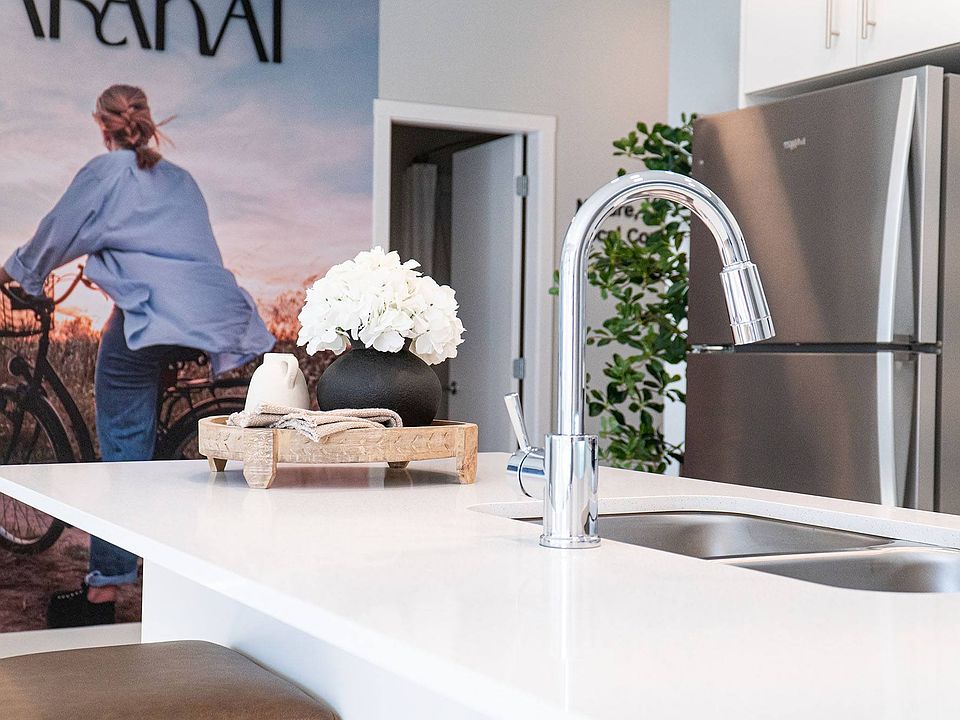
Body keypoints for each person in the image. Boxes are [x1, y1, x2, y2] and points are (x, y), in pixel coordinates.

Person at [0, 84, 275, 627]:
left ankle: (104, 592)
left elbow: (57, 233)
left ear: (103, 126)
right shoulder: (181, 180)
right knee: (143, 425)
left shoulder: (107, 173)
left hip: (154, 311)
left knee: (124, 455)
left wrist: (17, 273)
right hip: (210, 313)